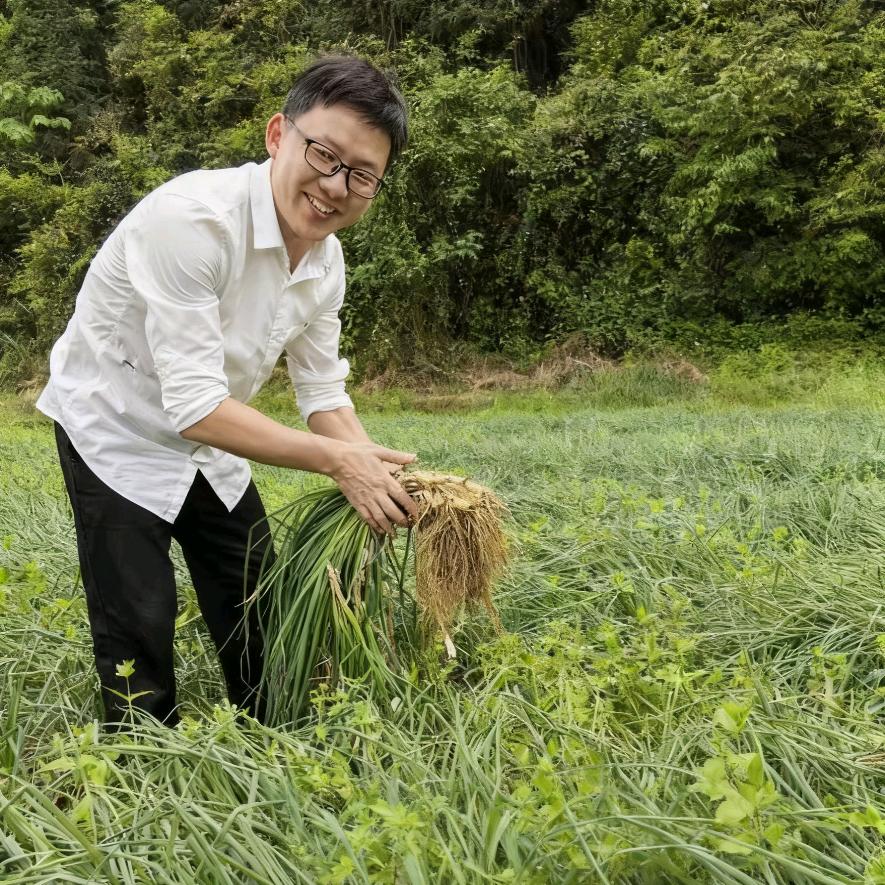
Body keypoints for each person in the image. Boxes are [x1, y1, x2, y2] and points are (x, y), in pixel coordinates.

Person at [36, 55, 419, 727]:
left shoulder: (326, 265)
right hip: (115, 423)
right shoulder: (192, 222)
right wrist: (337, 462)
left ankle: (275, 733)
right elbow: (194, 406)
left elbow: (323, 394)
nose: (335, 186)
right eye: (324, 155)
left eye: (361, 175)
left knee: (255, 599)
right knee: (137, 616)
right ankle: (141, 757)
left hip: (214, 438)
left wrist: (379, 472)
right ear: (279, 134)